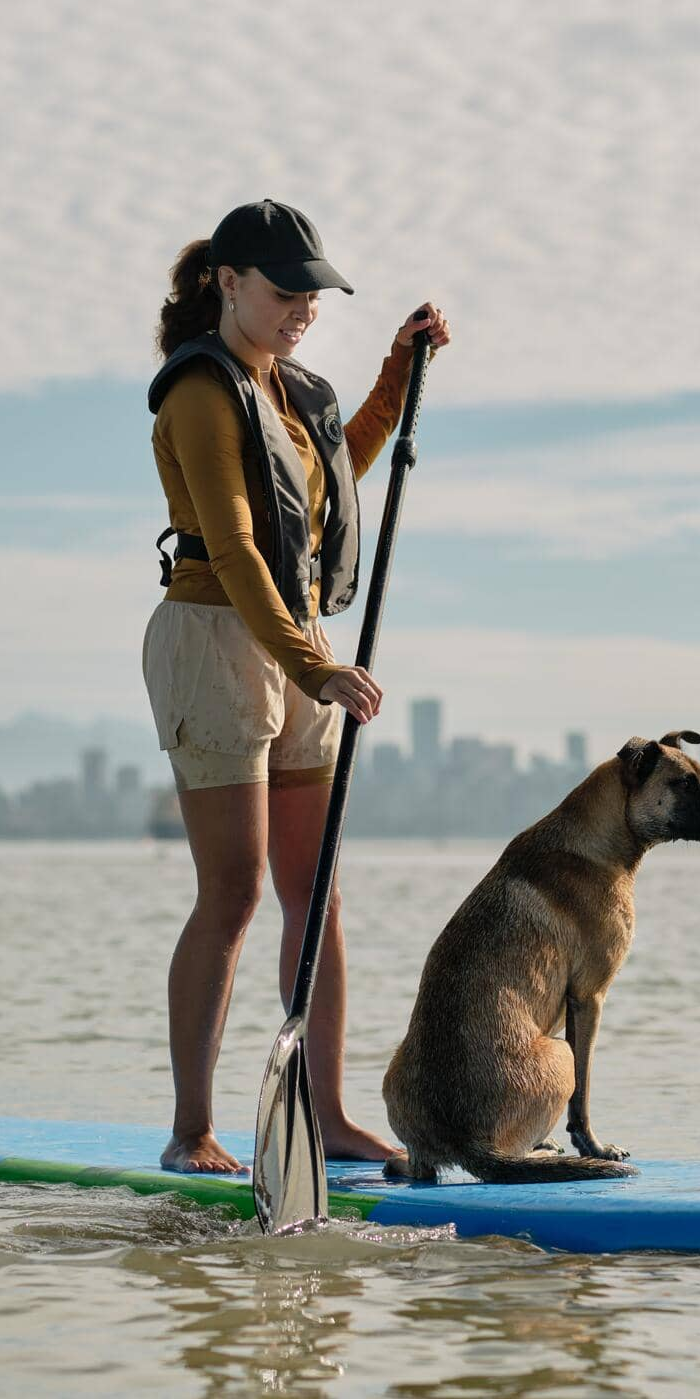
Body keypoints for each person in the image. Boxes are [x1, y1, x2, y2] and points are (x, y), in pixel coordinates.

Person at [143, 199, 452, 1175]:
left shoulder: (297, 392)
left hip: (299, 640)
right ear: (229, 285)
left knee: (315, 897)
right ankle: (192, 1132)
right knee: (231, 896)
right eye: (285, 294)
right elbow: (235, 546)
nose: (303, 310)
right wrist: (313, 665)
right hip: (218, 640)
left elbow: (337, 482)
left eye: (313, 295)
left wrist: (400, 372)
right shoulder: (201, 390)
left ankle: (326, 1117)